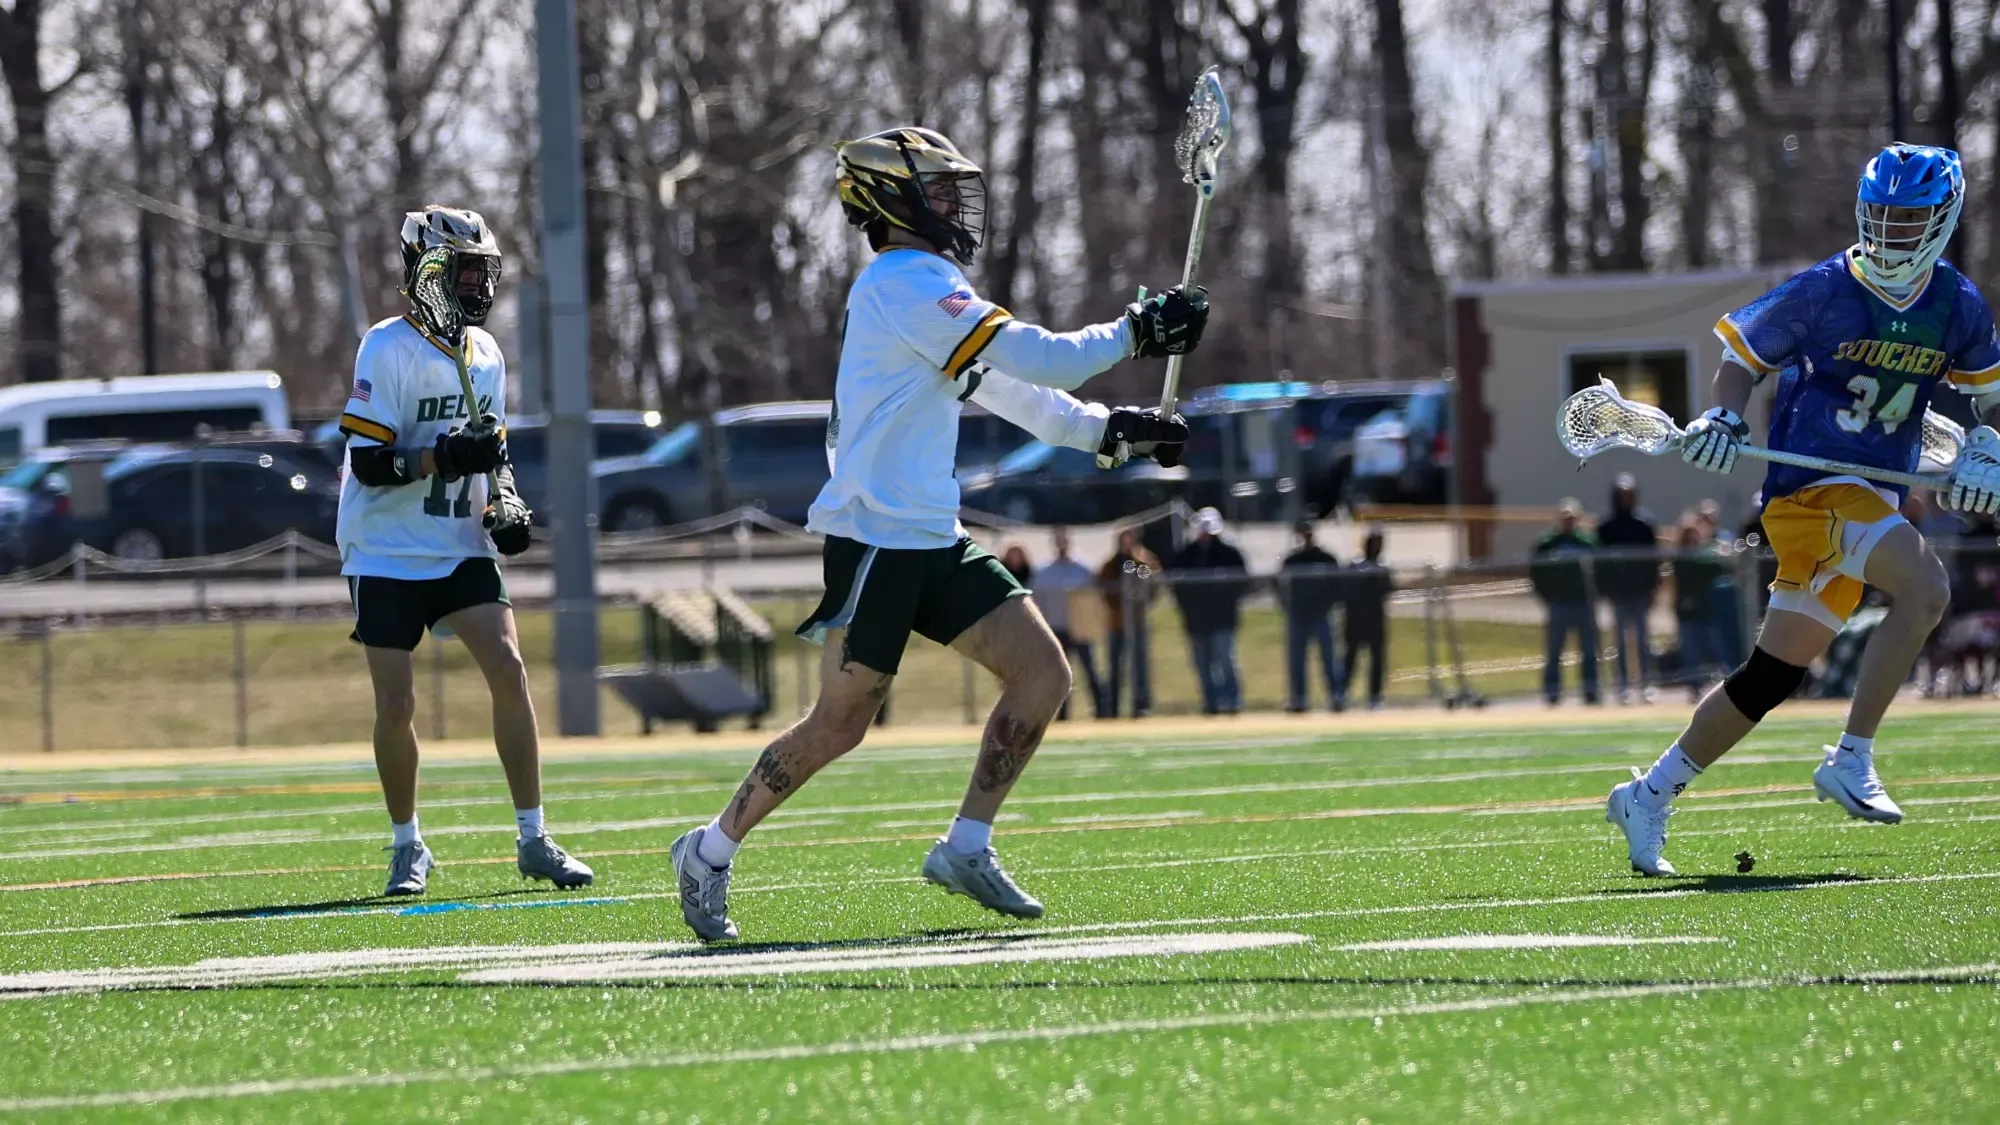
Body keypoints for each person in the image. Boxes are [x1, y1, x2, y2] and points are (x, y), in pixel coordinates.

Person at [669, 126, 1201, 940]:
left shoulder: (931, 287)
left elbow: (1017, 393)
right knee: (840, 722)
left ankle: (966, 845)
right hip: (876, 537)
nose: (956, 206)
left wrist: (1110, 433)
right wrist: (1136, 331)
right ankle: (708, 851)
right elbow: (1046, 358)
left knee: (1043, 674)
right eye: (941, 191)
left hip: (931, 535)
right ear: (893, 201)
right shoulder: (903, 283)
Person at [1609, 144, 2000, 876]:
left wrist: (1988, 445)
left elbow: (1989, 399)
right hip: (1811, 491)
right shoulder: (1825, 288)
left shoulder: (1957, 304)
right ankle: (1852, 755)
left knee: (1770, 676)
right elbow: (1741, 361)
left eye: (1908, 219)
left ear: (1943, 221)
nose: (1890, 231)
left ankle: (1648, 793)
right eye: (1881, 215)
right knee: (1927, 589)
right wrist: (1724, 416)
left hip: (1871, 495)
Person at [336, 205, 593, 897]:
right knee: (396, 703)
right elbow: (369, 463)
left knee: (509, 668)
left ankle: (534, 836)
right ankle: (406, 844)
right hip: (385, 549)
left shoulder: (486, 353)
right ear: (428, 269)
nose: (479, 283)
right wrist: (442, 457)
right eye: (466, 269)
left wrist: (504, 503)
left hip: (458, 543)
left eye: (484, 270)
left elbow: (493, 453)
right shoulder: (386, 347)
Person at [1169, 507, 1250, 714]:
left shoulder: (1230, 554)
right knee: (1202, 664)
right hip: (1196, 620)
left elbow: (1242, 583)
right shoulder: (1186, 555)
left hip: (1223, 618)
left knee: (1225, 659)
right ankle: (1211, 702)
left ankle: (1232, 700)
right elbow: (1177, 587)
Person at [1596, 473, 1661, 703]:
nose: (1626, 499)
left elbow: (1654, 559)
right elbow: (1600, 562)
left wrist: (1654, 587)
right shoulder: (1606, 526)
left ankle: (1646, 683)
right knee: (1620, 641)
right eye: (1623, 494)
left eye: (1630, 494)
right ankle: (1622, 684)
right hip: (1618, 592)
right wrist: (1604, 588)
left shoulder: (1644, 523)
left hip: (1641, 590)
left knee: (1643, 639)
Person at [1530, 498, 1602, 706]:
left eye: (1572, 518)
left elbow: (1600, 569)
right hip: (1559, 603)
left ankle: (1590, 690)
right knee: (1554, 649)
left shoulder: (1587, 542)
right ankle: (1552, 691)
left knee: (1589, 649)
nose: (1568, 522)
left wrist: (1596, 594)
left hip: (1583, 603)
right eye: (1565, 518)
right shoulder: (1547, 543)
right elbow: (1536, 574)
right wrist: (1547, 596)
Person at [1031, 527, 1103, 720]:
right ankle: (1062, 715)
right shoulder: (1043, 572)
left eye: (1064, 540)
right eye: (1058, 540)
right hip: (1056, 629)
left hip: (1080, 628)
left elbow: (1095, 597)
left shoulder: (1084, 569)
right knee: (1060, 675)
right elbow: (1036, 602)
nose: (1062, 544)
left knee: (1090, 670)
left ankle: (1103, 711)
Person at [1277, 520, 1344, 712]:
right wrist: (1288, 606)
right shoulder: (1292, 560)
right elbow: (1279, 585)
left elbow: (1337, 585)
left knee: (1329, 659)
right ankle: (1299, 699)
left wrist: (1328, 604)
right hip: (1298, 615)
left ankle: (1337, 697)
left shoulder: (1326, 558)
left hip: (1322, 614)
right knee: (1297, 660)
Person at [1099, 527, 1163, 718]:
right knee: (1115, 667)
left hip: (1137, 623)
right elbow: (1104, 588)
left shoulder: (1143, 561)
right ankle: (1112, 707)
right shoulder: (1111, 564)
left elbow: (1152, 585)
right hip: (1117, 624)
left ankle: (1141, 705)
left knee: (1140, 665)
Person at [1669, 514, 1729, 700]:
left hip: (1707, 611)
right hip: (1687, 612)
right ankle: (1695, 687)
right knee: (1691, 652)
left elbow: (1717, 567)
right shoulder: (1680, 559)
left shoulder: (1708, 556)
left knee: (1716, 649)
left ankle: (1725, 686)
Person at [1342, 526, 1393, 710]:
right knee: (1350, 658)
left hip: (1375, 619)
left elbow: (1387, 590)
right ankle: (1341, 694)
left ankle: (1375, 696)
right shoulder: (1355, 565)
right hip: (1355, 620)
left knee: (1377, 659)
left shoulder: (1382, 568)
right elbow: (1346, 590)